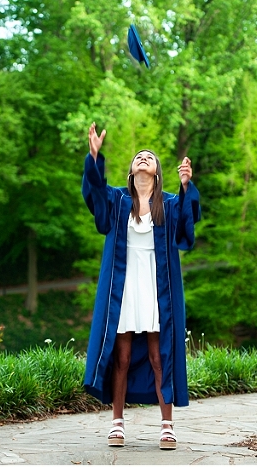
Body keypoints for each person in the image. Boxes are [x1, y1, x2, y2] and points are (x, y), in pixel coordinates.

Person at [81, 122, 201, 450]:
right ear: (132, 171)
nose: (144, 158)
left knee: (157, 354)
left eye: (150, 157)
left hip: (157, 287)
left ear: (158, 173)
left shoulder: (171, 204)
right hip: (124, 286)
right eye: (139, 157)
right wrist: (93, 157)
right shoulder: (118, 201)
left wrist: (188, 186)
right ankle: (117, 423)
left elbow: (188, 230)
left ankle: (167, 425)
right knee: (120, 355)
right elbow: (95, 196)